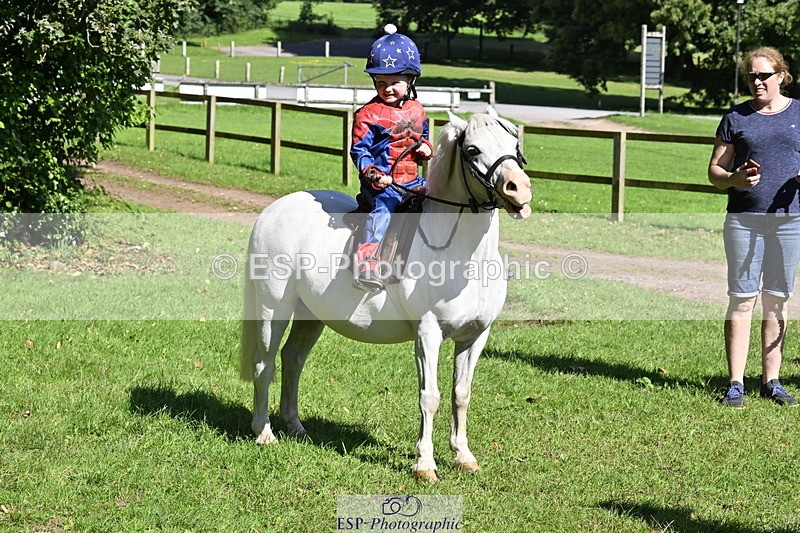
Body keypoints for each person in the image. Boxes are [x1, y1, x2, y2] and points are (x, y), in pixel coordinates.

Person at [708, 46, 800, 408]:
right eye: (751, 76)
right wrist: (735, 179)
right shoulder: (736, 117)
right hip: (744, 221)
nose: (757, 81)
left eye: (764, 75)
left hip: (789, 220)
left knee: (777, 300)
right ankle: (735, 384)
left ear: (782, 76)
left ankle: (772, 381)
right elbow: (715, 172)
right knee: (742, 299)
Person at [350, 24, 433, 292]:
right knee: (382, 214)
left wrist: (426, 148)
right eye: (380, 83)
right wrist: (375, 176)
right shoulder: (367, 114)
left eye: (394, 82)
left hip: (412, 181)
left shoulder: (418, 109)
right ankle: (366, 263)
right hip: (382, 186)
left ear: (411, 81)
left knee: (440, 203)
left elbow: (424, 136)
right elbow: (359, 151)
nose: (387, 89)